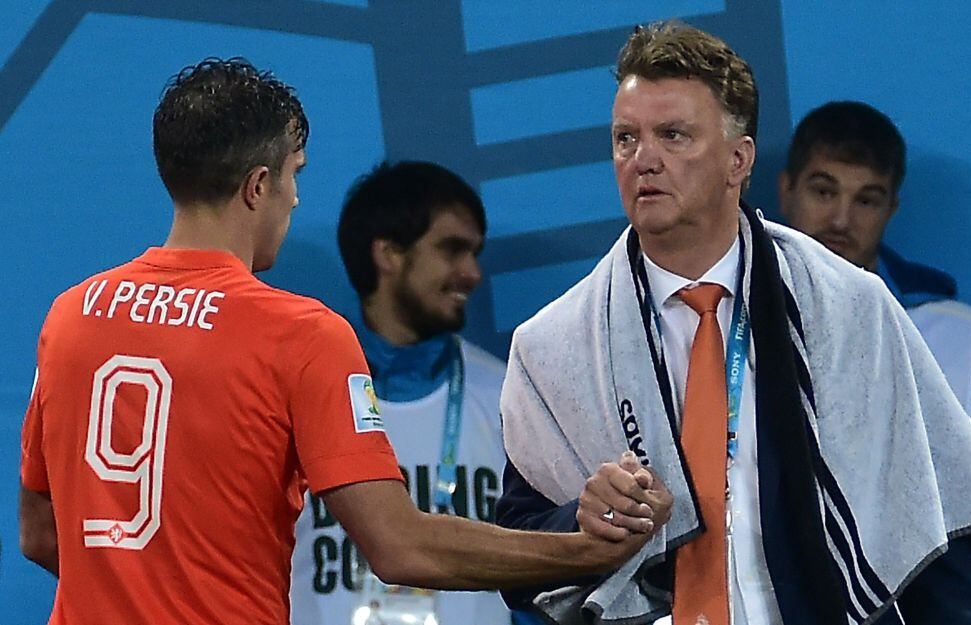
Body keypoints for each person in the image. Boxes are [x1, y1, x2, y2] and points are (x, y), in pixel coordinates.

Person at [17, 57, 668, 625]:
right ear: (257, 185)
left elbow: (41, 533)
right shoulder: (299, 334)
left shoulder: (72, 315)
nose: (297, 199)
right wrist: (585, 549)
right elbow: (398, 545)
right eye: (293, 174)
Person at [495, 22, 971, 625]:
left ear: (738, 160)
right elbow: (519, 551)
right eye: (626, 138)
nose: (644, 159)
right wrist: (579, 521)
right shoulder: (553, 345)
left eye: (673, 135)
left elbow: (926, 525)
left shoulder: (853, 309)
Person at [777, 100, 971, 625]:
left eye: (866, 199)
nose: (840, 219)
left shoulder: (960, 338)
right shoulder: (724, 325)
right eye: (823, 190)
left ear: (892, 209)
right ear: (786, 189)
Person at [291, 161, 513, 625]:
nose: (472, 273)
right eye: (453, 250)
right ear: (388, 253)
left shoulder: (510, 398)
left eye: (475, 252)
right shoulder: (294, 396)